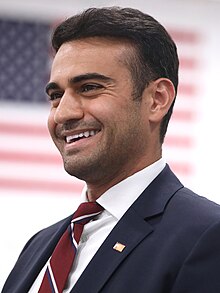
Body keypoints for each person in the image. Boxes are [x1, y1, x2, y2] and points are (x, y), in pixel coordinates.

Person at [2, 6, 220, 293]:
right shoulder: (40, 245)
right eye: (56, 96)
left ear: (156, 99)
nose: (63, 113)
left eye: (89, 87)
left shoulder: (207, 235)